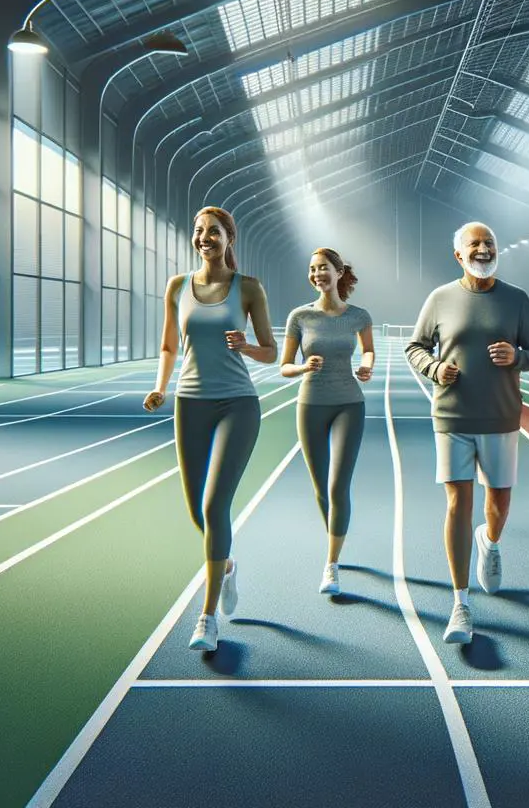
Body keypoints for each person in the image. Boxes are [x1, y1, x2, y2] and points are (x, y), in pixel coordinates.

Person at [406, 222, 529, 645]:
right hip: (452, 416)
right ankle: (460, 602)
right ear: (459, 255)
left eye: (490, 243)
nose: (484, 249)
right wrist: (435, 369)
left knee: (498, 504)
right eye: (475, 243)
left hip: (501, 417)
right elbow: (415, 347)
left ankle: (490, 540)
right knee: (457, 503)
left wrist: (516, 356)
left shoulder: (517, 299)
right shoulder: (440, 298)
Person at [143, 207, 278, 653]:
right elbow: (168, 345)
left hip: (237, 404)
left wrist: (247, 345)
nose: (205, 238)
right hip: (189, 404)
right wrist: (161, 387)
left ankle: (206, 618)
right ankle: (228, 564)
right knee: (195, 511)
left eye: (213, 232)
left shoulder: (249, 289)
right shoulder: (177, 287)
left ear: (229, 238)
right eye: (199, 231)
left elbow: (271, 353)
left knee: (215, 503)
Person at [280, 248, 376, 597]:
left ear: (338, 272)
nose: (317, 274)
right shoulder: (299, 317)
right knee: (321, 489)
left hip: (349, 403)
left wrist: (366, 366)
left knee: (338, 487)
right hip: (310, 404)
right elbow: (284, 366)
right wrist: (303, 368)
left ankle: (331, 564)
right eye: (312, 269)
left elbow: (368, 350)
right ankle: (336, 535)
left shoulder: (359, 316)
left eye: (323, 268)